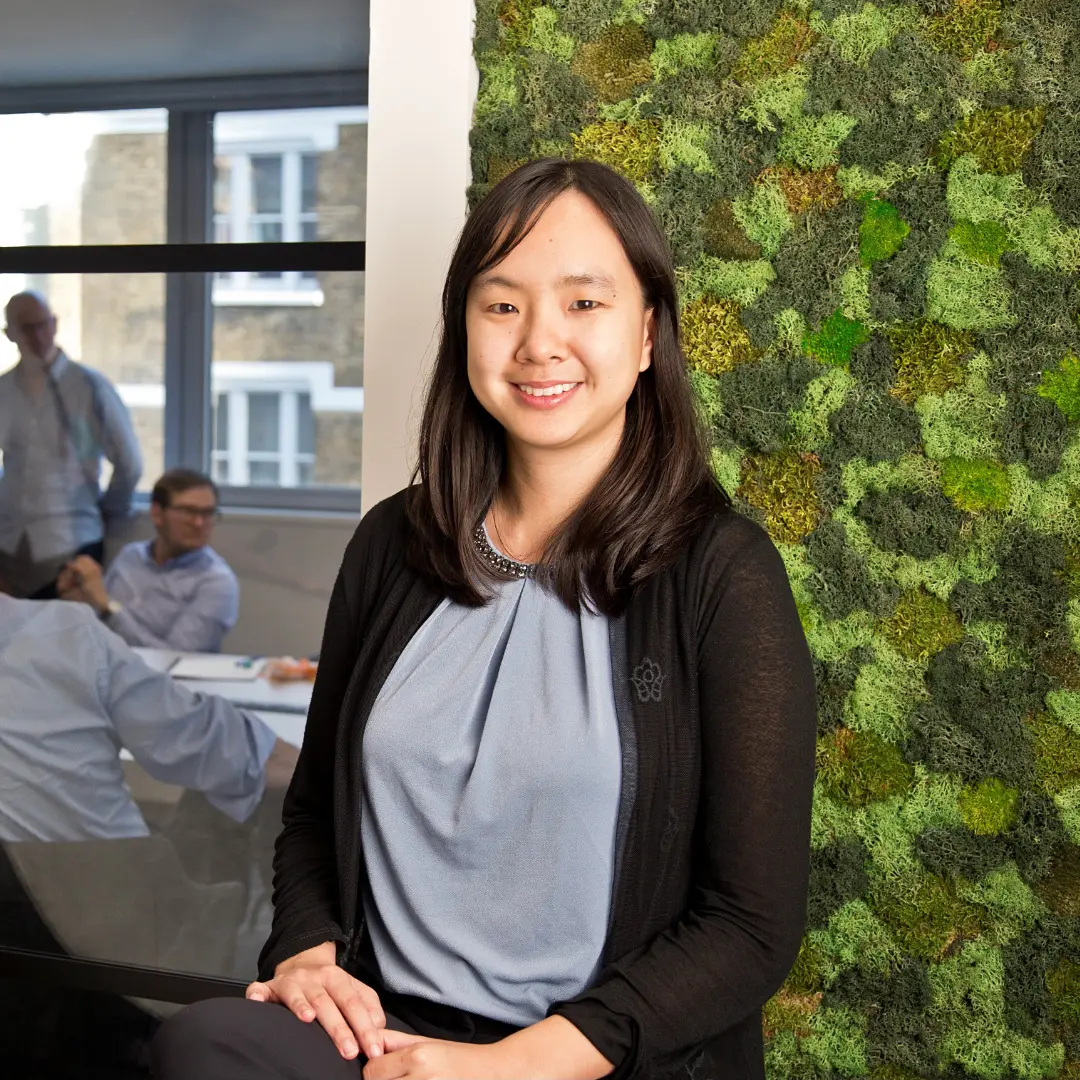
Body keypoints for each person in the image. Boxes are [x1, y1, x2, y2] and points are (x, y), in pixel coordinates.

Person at [153, 159, 817, 1080]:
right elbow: (312, 811)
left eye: (584, 304)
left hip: (585, 1054)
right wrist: (307, 951)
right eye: (501, 304)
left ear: (647, 336)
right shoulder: (394, 542)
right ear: (464, 327)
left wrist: (496, 1068)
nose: (538, 343)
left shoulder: (722, 574)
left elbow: (750, 926)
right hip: (378, 1037)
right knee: (200, 1044)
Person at [0, 592, 298, 843]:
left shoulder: (214, 580)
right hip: (112, 890)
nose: (198, 523)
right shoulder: (63, 634)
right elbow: (198, 738)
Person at [0, 290, 142, 600]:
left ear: (54, 324)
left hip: (71, 540)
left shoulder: (89, 386)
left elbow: (129, 464)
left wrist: (108, 510)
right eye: (26, 328)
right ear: (9, 333)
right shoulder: (4, 390)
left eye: (42, 325)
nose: (37, 337)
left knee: (67, 636)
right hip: (10, 546)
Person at [57, 467, 239, 653]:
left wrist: (106, 608)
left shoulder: (216, 582)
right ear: (157, 514)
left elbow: (174, 658)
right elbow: (97, 626)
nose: (199, 523)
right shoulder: (131, 556)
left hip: (164, 680)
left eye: (208, 513)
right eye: (188, 512)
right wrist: (79, 601)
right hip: (107, 668)